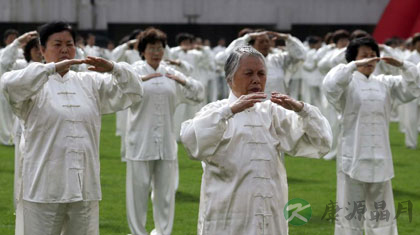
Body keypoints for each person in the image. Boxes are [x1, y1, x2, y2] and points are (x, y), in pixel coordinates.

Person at [0, 22, 143, 235]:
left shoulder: (90, 82)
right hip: (43, 187)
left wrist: (114, 68)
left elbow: (134, 91)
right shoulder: (33, 81)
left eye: (69, 44)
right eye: (57, 44)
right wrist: (51, 69)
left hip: (85, 186)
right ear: (41, 49)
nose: (65, 49)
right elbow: (8, 85)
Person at [180, 46, 332, 235]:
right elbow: (191, 142)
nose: (256, 80)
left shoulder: (273, 112)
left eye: (261, 73)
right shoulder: (216, 111)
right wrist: (230, 110)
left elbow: (322, 142)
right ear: (229, 79)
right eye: (249, 73)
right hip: (227, 216)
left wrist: (302, 109)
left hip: (270, 214)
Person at [323, 37, 420, 235]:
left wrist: (402, 65)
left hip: (381, 156)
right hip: (353, 155)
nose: (369, 60)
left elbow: (413, 87)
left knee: (381, 212)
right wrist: (352, 66)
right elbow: (330, 85)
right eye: (363, 56)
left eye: (372, 56)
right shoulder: (347, 83)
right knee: (351, 212)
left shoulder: (385, 83)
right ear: (353, 60)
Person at [126, 27, 204, 235]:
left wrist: (183, 80)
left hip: (167, 144)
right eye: (152, 48)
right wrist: (139, 81)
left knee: (165, 195)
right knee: (138, 193)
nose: (156, 52)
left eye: (160, 48)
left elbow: (199, 93)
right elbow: (119, 88)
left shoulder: (171, 72)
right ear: (143, 51)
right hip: (140, 142)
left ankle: (163, 232)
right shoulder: (134, 71)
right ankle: (137, 232)